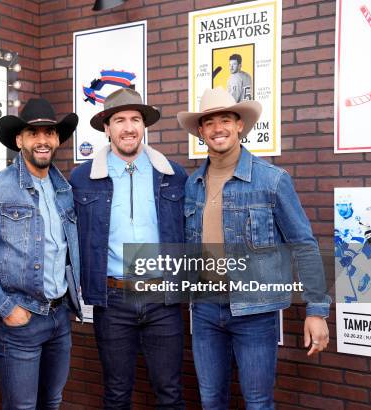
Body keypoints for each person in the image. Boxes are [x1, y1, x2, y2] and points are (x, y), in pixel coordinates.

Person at [177, 87, 331, 409]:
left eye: (225, 120)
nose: (217, 128)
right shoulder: (193, 184)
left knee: (258, 402)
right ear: (201, 131)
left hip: (256, 312)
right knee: (211, 400)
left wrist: (316, 310)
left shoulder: (271, 180)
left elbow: (303, 245)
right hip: (205, 310)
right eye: (209, 122)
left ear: (239, 125)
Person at [0, 98, 82, 410]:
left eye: (49, 133)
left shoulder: (64, 189)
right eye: (33, 133)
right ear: (19, 140)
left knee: (52, 401)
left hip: (59, 317)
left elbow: (64, 250)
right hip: (20, 319)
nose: (42, 140)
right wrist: (4, 307)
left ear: (58, 139)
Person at [70, 88, 187, 409]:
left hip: (163, 298)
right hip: (113, 299)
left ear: (144, 125)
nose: (128, 127)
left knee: (170, 391)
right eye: (119, 120)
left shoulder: (173, 175)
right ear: (106, 127)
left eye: (135, 119)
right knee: (117, 392)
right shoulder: (82, 178)